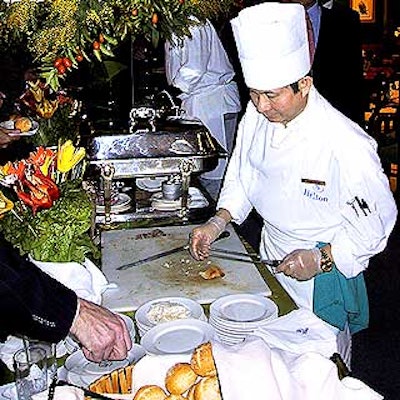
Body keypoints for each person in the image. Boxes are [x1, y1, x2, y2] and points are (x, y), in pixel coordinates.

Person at [189, 2, 397, 367]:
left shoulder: (344, 142)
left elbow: (379, 221)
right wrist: (218, 221)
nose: (261, 105)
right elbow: (242, 170)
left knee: (321, 368)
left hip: (322, 276)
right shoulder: (256, 114)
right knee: (274, 364)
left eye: (272, 95)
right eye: (254, 93)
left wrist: (322, 258)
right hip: (271, 260)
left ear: (305, 84)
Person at [165, 18, 241, 200]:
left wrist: (169, 92)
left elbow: (194, 69)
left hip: (212, 104)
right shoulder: (176, 22)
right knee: (204, 172)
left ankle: (222, 222)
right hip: (202, 101)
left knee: (214, 175)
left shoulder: (191, 21)